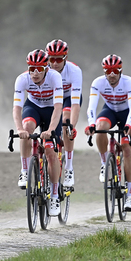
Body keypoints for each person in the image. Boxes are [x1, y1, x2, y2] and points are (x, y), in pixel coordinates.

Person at [13, 49, 63, 216]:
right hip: (33, 107)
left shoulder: (55, 77)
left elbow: (58, 107)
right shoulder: (22, 79)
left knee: (50, 152)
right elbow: (17, 108)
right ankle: (25, 170)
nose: (35, 73)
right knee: (27, 130)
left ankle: (55, 194)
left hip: (51, 111)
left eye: (39, 69)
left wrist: (50, 130)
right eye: (31, 68)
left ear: (46, 68)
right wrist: (19, 129)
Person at [85, 54, 131, 212]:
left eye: (115, 70)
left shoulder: (129, 82)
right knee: (101, 128)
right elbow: (91, 107)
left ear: (120, 70)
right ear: (104, 71)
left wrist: (129, 124)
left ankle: (130, 194)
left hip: (127, 113)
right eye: (108, 71)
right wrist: (91, 124)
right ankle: (104, 163)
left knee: (127, 148)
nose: (112, 74)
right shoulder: (98, 83)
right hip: (110, 111)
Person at [46, 39, 82, 187]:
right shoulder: (43, 70)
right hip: (52, 99)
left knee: (66, 122)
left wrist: (72, 126)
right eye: (52, 59)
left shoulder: (74, 71)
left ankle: (68, 167)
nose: (55, 63)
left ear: (65, 58)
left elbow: (75, 103)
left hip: (68, 98)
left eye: (59, 59)